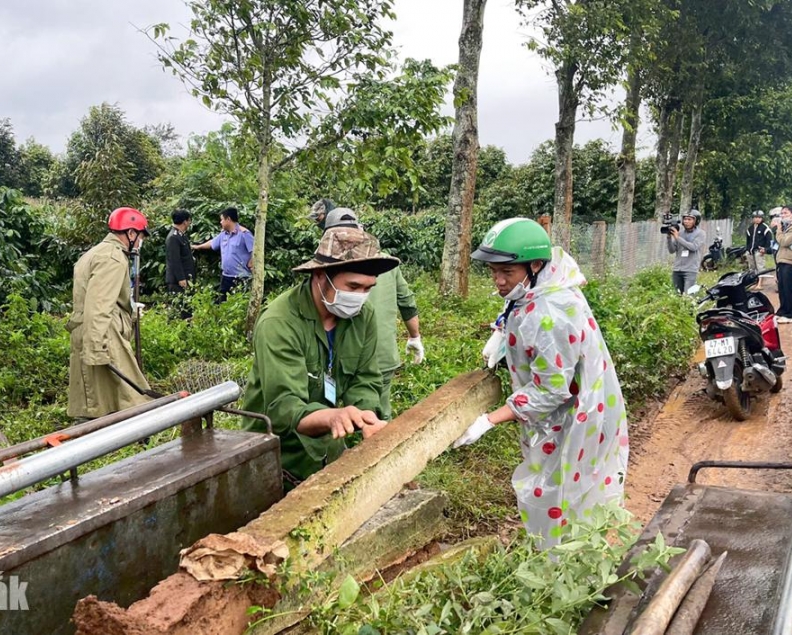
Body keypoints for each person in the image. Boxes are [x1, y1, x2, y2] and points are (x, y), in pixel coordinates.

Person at [452, 218, 628, 548]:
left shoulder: (552, 314)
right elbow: (514, 307)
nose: (499, 281)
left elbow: (551, 389)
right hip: (554, 421)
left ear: (534, 265)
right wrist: (500, 334)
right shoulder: (536, 286)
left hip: (576, 417)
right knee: (551, 489)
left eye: (508, 272)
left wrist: (489, 420)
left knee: (565, 496)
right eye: (494, 271)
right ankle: (552, 553)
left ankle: (568, 566)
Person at [240, 225, 399, 491]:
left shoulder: (363, 317)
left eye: (368, 288)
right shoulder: (279, 323)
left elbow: (365, 379)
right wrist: (332, 417)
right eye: (353, 286)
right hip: (276, 460)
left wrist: (365, 416)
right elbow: (283, 408)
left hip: (330, 451)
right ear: (319, 276)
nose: (359, 298)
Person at [311, 204, 425, 419]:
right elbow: (407, 302)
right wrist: (415, 336)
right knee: (375, 415)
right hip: (377, 355)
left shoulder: (377, 266)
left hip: (347, 358)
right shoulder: (382, 263)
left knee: (348, 415)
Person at [67, 207, 152, 421]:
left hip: (91, 330)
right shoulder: (113, 259)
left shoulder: (96, 252)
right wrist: (97, 347)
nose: (141, 242)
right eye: (140, 236)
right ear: (131, 234)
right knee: (130, 395)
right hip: (104, 332)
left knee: (95, 397)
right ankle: (138, 435)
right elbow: (99, 306)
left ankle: (96, 435)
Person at [192, 207, 254, 303]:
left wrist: (251, 262)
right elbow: (212, 243)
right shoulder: (223, 234)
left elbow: (255, 251)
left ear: (228, 219)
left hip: (241, 277)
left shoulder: (244, 234)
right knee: (222, 303)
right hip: (226, 276)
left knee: (239, 303)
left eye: (222, 219)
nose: (220, 222)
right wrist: (198, 247)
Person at [666, 209, 705, 293]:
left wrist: (677, 238)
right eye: (685, 219)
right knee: (678, 295)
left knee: (688, 296)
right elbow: (671, 250)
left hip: (690, 270)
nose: (686, 221)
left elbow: (693, 247)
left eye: (689, 219)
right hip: (677, 269)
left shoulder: (701, 233)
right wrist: (669, 238)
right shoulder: (680, 233)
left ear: (696, 221)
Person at [165, 208, 195, 295]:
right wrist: (181, 278)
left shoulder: (181, 235)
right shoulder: (173, 237)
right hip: (178, 282)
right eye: (189, 220)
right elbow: (174, 260)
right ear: (185, 221)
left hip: (186, 278)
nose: (189, 223)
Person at [745, 211, 774, 286]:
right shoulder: (750, 228)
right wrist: (747, 249)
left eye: (759, 217)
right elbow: (748, 241)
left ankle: (760, 283)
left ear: (762, 218)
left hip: (759, 251)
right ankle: (754, 282)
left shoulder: (765, 228)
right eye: (755, 217)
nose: (757, 219)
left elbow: (769, 240)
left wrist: (766, 249)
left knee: (760, 267)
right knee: (752, 268)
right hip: (750, 251)